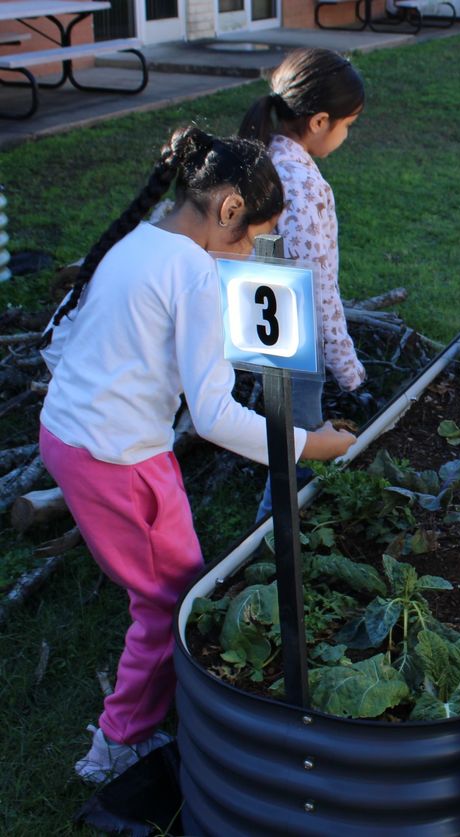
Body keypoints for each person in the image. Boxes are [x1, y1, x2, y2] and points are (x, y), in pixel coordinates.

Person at [38, 125, 357, 784]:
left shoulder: (145, 238)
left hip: (80, 436)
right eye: (250, 238)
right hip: (116, 456)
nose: (248, 256)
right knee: (169, 599)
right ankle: (118, 743)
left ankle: (155, 706)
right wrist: (310, 444)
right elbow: (213, 416)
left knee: (180, 575)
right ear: (230, 210)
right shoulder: (190, 268)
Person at [239, 47, 367, 520]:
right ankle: (273, 540)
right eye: (347, 124)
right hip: (294, 334)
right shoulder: (306, 184)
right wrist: (348, 368)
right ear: (318, 122)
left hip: (254, 319)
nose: (346, 135)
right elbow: (318, 286)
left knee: (281, 430)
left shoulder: (261, 154)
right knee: (299, 446)